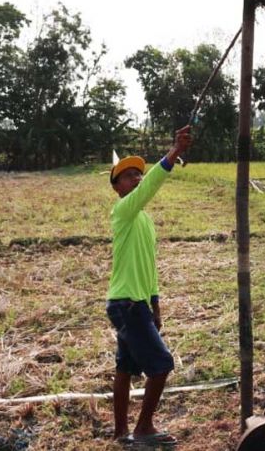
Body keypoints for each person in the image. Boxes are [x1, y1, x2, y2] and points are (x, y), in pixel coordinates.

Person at [105, 126, 192, 446]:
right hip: (127, 304)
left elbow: (149, 266)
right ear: (116, 187)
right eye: (128, 176)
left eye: (137, 174)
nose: (136, 179)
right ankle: (143, 428)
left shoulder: (143, 220)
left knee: (125, 368)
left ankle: (120, 433)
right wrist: (173, 153)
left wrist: (155, 305)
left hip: (135, 303)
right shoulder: (124, 210)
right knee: (162, 365)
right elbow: (151, 186)